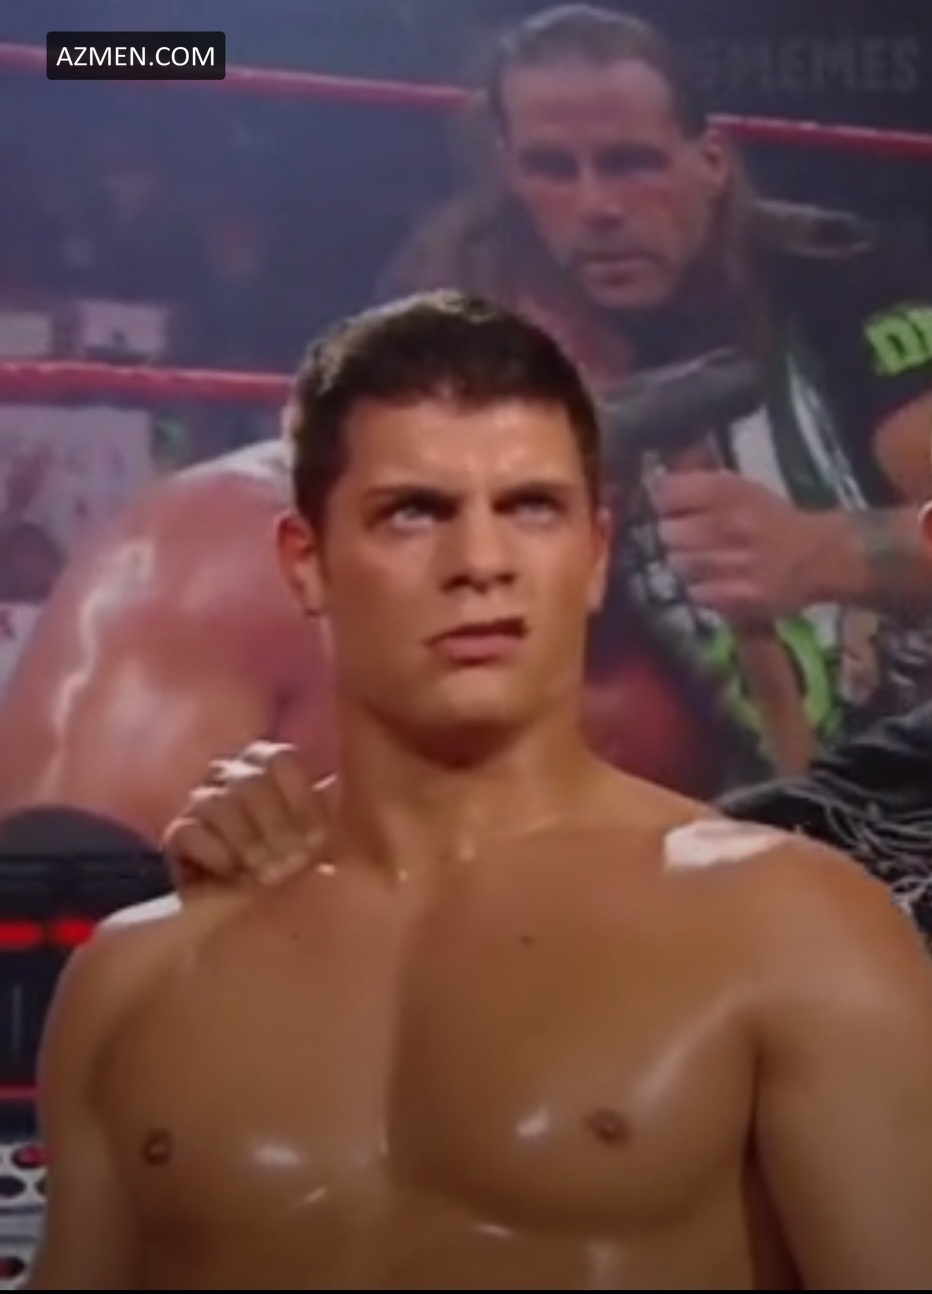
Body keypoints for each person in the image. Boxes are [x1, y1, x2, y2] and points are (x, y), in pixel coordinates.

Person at [27, 293, 932, 1290]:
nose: (480, 564)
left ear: (594, 554)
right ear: (306, 561)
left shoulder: (792, 926)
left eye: (531, 508)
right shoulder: (138, 977)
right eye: (414, 512)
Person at [3, 5, 932, 843]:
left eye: (632, 162)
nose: (598, 207)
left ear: (711, 160)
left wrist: (831, 551)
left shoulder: (841, 284)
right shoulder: (477, 280)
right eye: (553, 168)